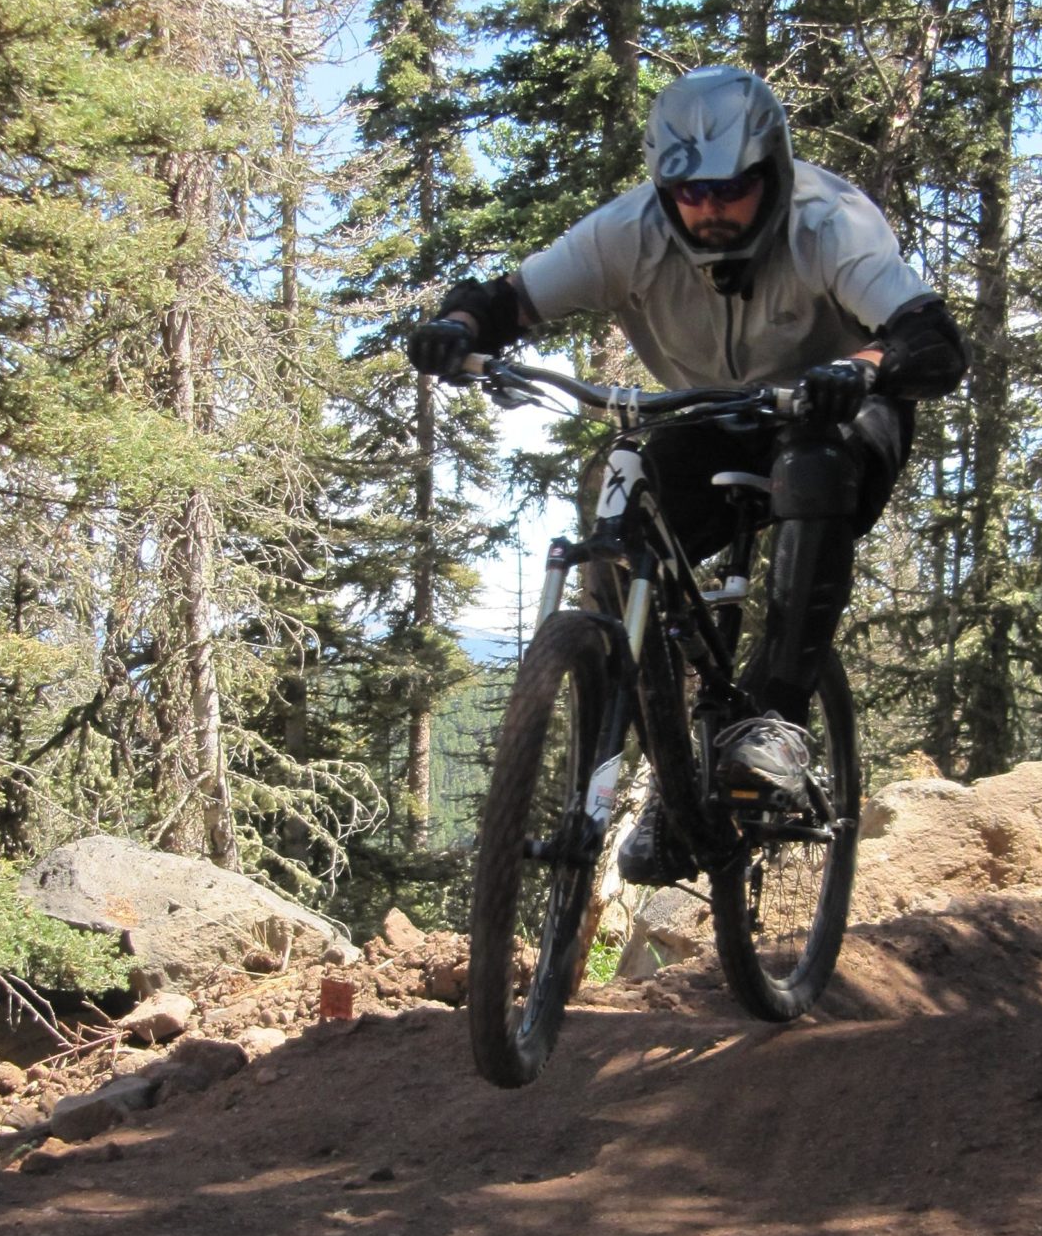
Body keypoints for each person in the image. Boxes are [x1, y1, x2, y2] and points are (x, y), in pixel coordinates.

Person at [407, 64, 967, 883]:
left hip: (845, 411)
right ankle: (673, 772)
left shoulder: (827, 223)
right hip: (716, 419)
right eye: (688, 192)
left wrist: (867, 365)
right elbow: (511, 298)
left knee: (813, 468)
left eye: (730, 189)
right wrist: (456, 325)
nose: (707, 209)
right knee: (624, 519)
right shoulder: (628, 232)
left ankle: (773, 722)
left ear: (770, 172)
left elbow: (930, 334)